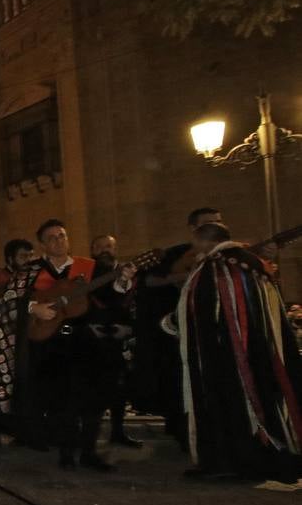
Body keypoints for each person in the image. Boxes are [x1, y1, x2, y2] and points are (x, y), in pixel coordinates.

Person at [172, 221, 302, 481]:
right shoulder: (251, 263)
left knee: (236, 406)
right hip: (259, 352)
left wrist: (173, 324)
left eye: (195, 242)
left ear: (206, 241)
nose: (193, 248)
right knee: (262, 399)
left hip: (228, 358)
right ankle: (267, 458)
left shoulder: (216, 266)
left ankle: (235, 462)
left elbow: (204, 312)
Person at [12, 219, 129, 471]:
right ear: (42, 244)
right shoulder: (30, 271)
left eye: (62, 235)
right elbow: (11, 299)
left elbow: (110, 297)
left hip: (84, 340)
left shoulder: (88, 267)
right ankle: (66, 452)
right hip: (49, 343)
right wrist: (34, 308)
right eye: (52, 237)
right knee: (59, 400)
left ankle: (89, 452)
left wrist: (122, 282)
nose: (58, 240)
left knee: (92, 399)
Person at [133, 206, 223, 450]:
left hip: (215, 333)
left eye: (218, 222)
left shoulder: (228, 255)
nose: (215, 226)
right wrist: (182, 278)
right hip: (178, 333)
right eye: (208, 223)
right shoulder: (175, 254)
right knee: (179, 384)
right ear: (193, 229)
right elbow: (148, 281)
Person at [89, 235, 142, 450]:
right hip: (94, 336)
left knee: (120, 387)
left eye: (109, 246)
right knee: (96, 388)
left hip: (121, 335)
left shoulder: (129, 274)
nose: (105, 250)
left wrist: (130, 329)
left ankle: (118, 431)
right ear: (92, 250)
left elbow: (135, 305)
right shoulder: (88, 272)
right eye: (100, 246)